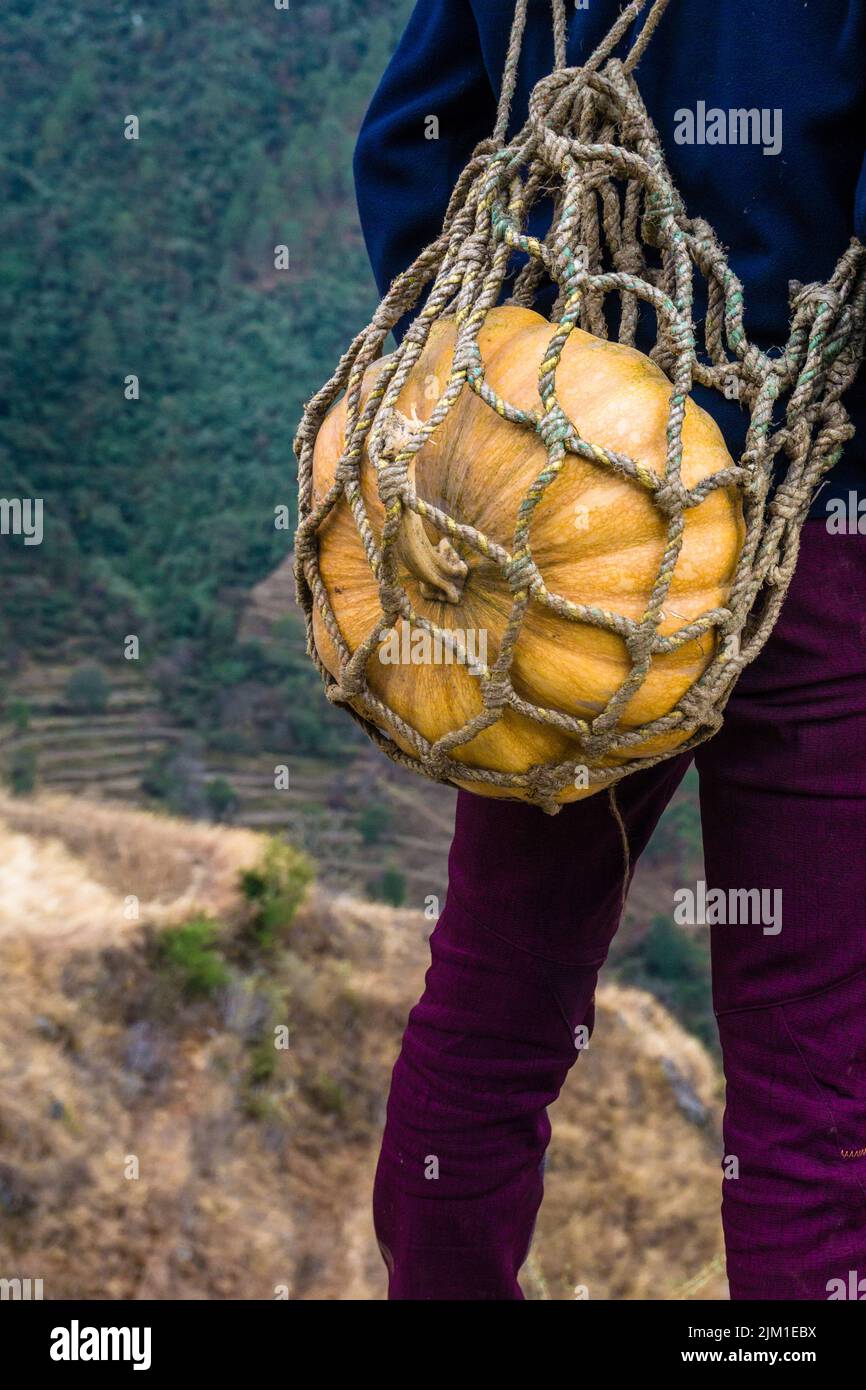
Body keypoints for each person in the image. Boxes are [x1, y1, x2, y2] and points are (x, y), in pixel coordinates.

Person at [352, 0, 866, 1300]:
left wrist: (500, 421)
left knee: (491, 1002)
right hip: (815, 526)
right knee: (812, 1084)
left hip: (562, 525)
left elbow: (411, 145)